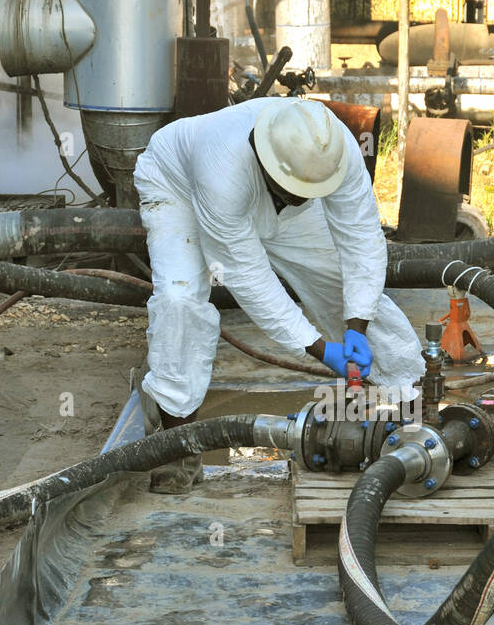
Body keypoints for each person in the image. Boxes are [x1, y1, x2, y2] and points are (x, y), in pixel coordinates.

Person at [132, 97, 424, 493]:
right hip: (177, 185)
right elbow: (249, 277)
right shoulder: (223, 167)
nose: (305, 199)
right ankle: (175, 447)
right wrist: (319, 349)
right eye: (297, 191)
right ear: (261, 153)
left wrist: (356, 325)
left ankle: (410, 413)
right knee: (179, 300)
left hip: (273, 199)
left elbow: (361, 239)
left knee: (339, 282)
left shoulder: (331, 150)